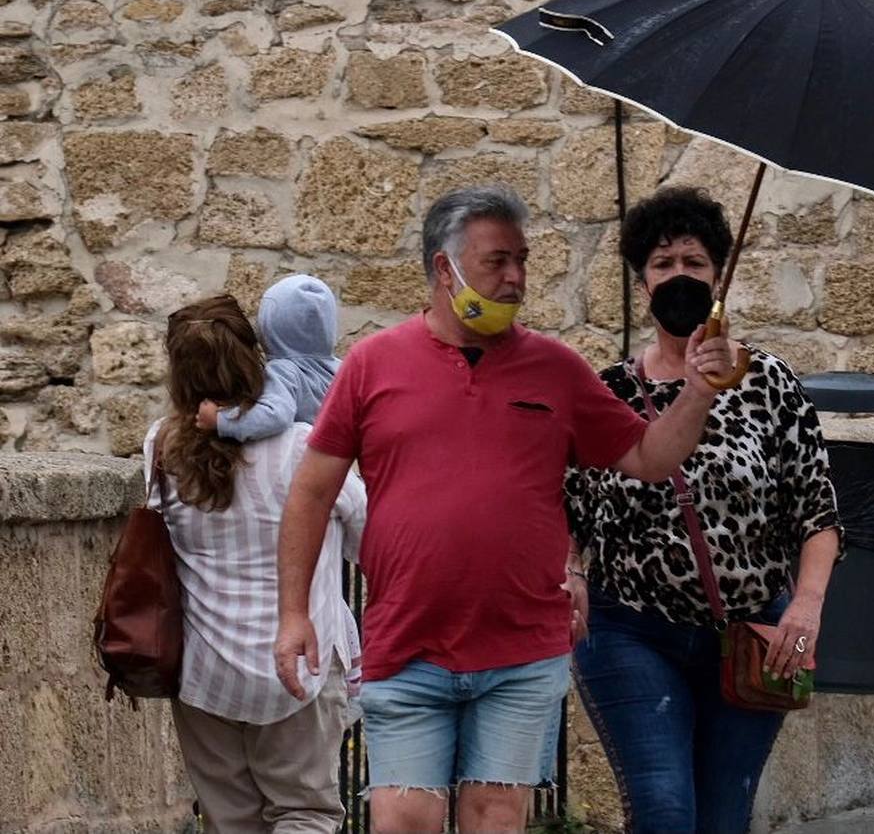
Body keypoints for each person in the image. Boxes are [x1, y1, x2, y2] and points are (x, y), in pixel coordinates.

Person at [272, 184, 734, 834]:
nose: (516, 277)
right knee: (404, 819)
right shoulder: (373, 364)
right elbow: (312, 491)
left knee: (496, 820)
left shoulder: (556, 369)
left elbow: (650, 457)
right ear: (445, 267)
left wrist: (698, 391)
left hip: (522, 652)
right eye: (497, 261)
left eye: (521, 259)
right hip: (408, 644)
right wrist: (294, 614)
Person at [564, 187, 844, 834]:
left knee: (722, 818)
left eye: (694, 262)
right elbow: (569, 509)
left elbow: (817, 512)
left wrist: (806, 605)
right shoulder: (608, 394)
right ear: (642, 282)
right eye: (663, 264)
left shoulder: (769, 384)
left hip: (748, 637)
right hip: (630, 630)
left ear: (719, 277)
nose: (679, 276)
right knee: (663, 811)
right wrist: (569, 574)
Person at [148, 294, 366, 831]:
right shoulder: (302, 448)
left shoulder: (160, 446)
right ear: (255, 360)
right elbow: (369, 539)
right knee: (305, 811)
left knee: (229, 819)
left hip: (205, 670)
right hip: (295, 668)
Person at [195, 274, 341, 437]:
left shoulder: (284, 371)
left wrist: (222, 420)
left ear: (269, 323)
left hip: (300, 455)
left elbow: (275, 416)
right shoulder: (341, 368)